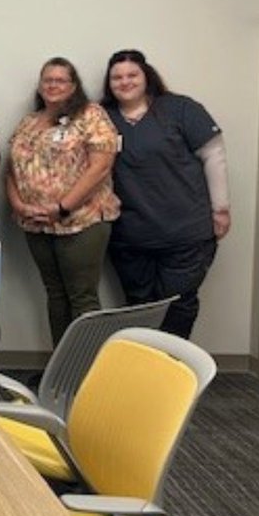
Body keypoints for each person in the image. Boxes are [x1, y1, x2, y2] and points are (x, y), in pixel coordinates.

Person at [101, 49, 230, 338]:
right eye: (117, 77)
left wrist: (220, 208)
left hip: (185, 231)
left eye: (132, 75)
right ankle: (143, 373)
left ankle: (172, 371)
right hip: (130, 234)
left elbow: (214, 155)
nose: (125, 82)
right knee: (138, 307)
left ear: (146, 76)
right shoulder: (101, 117)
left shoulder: (180, 109)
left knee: (178, 305)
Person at [6, 57, 120, 345]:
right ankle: (59, 373)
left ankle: (83, 377)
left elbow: (100, 167)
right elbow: (12, 168)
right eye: (47, 80)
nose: (53, 85)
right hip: (36, 224)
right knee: (55, 295)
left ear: (73, 85)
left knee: (82, 298)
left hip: (81, 221)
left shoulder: (91, 115)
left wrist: (62, 207)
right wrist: (18, 204)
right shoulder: (30, 121)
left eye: (60, 80)